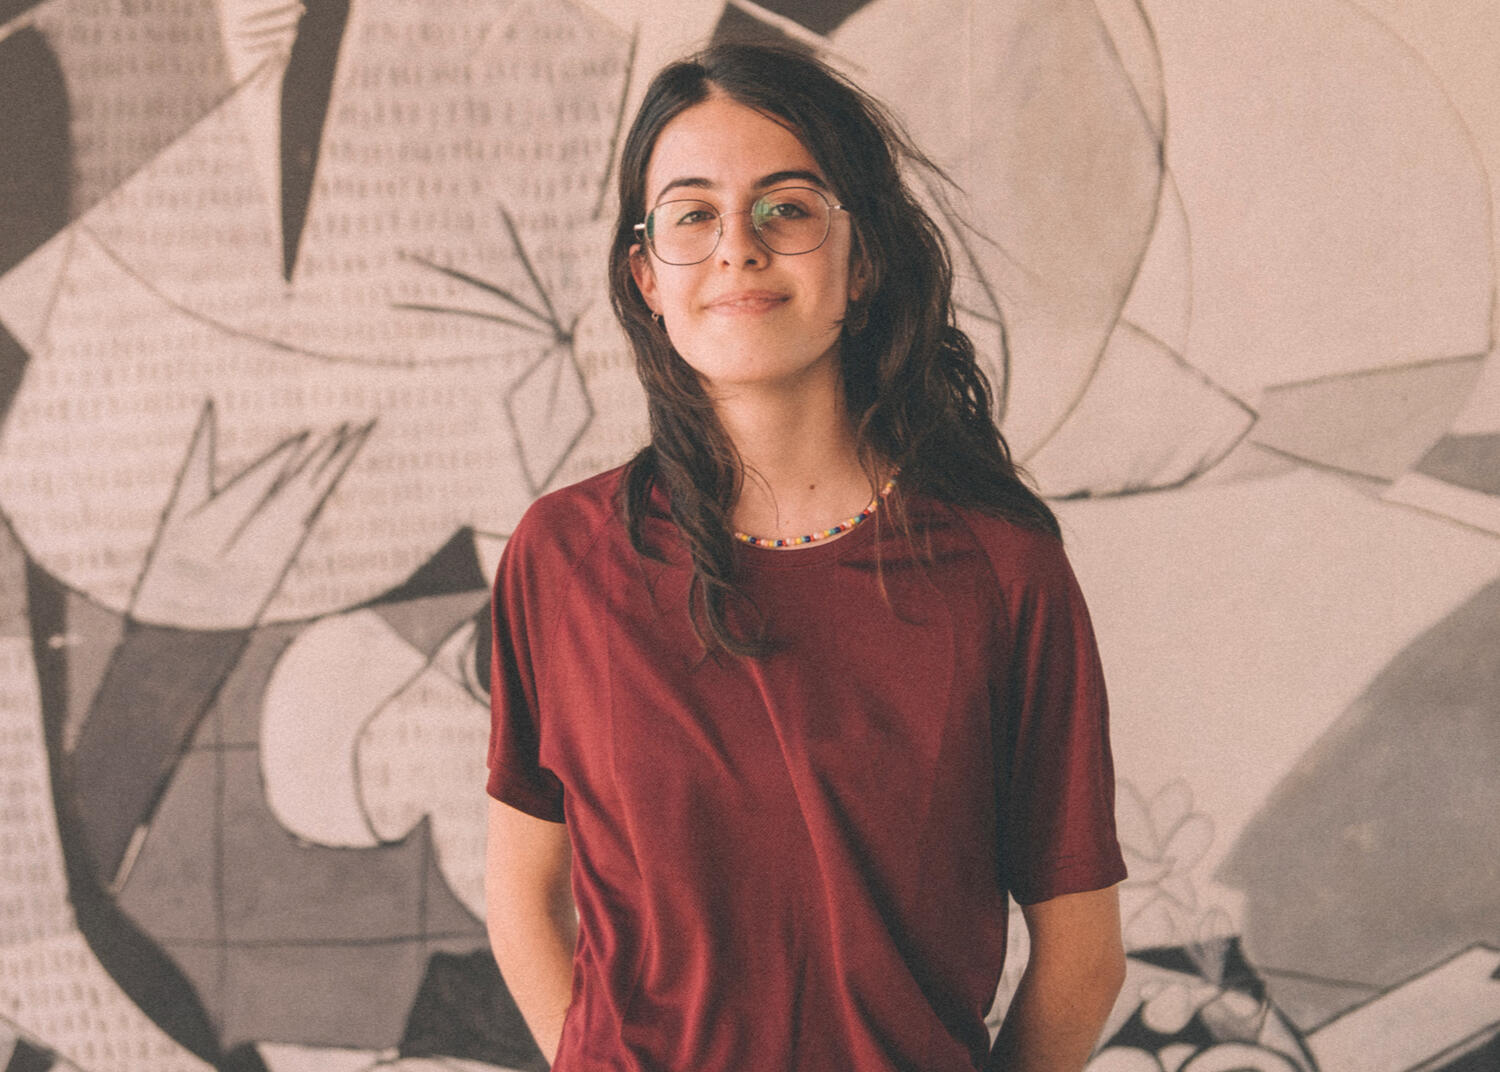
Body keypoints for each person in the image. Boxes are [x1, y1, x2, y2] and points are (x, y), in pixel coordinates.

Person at [484, 40, 1127, 1072]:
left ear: (861, 262)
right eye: (692, 215)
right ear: (646, 277)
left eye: (786, 208)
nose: (738, 248)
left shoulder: (1005, 570)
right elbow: (523, 895)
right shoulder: (560, 556)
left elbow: (1084, 958)